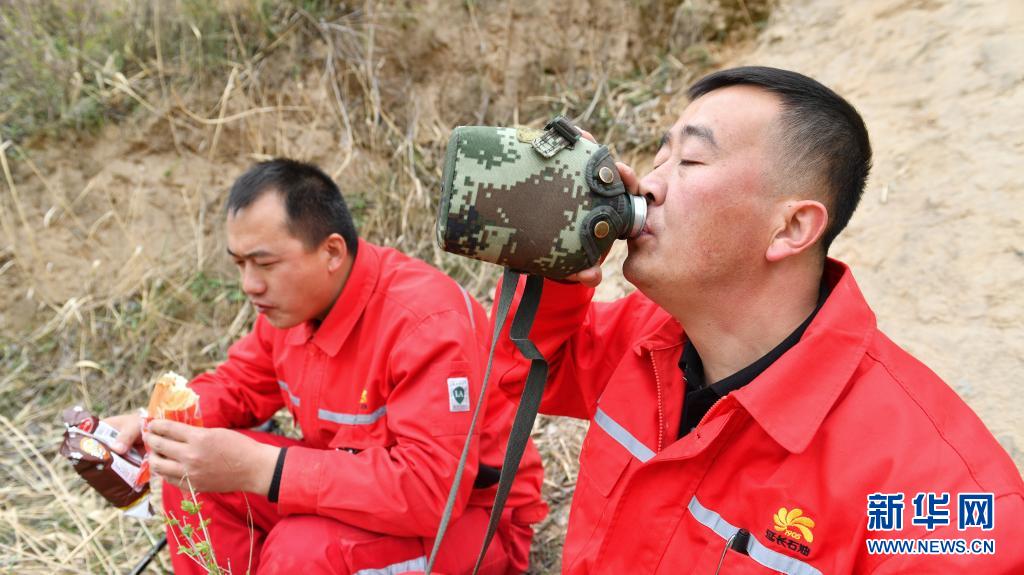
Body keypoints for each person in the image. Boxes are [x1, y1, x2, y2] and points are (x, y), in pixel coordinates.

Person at [491, 66, 1024, 573]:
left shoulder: (936, 497)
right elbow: (531, 369)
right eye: (660, 156)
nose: (647, 185)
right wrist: (554, 262)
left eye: (691, 161)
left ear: (792, 228)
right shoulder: (650, 337)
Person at [104, 159, 546, 574]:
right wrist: (152, 424)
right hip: (355, 491)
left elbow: (432, 494)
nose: (249, 285)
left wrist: (263, 468)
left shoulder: (425, 322)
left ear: (332, 252)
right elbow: (237, 385)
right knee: (188, 473)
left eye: (265, 263)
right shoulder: (293, 309)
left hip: (475, 522)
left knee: (303, 552)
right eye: (239, 264)